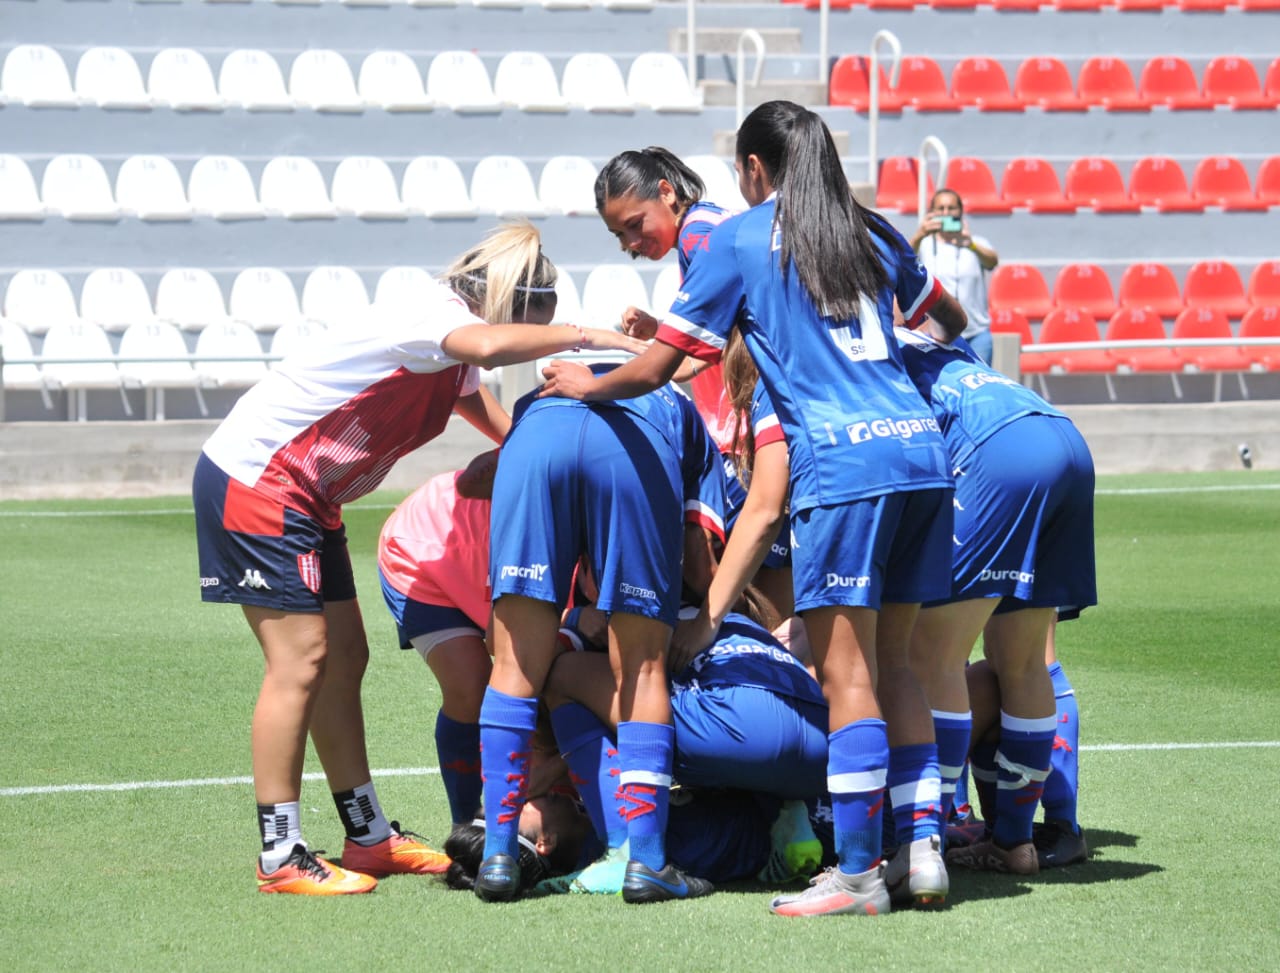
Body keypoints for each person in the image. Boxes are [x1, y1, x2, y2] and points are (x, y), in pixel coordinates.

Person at [540, 100, 969, 917]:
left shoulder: (735, 238)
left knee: (847, 673)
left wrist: (587, 381)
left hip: (845, 466)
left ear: (751, 170)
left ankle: (856, 872)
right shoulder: (871, 228)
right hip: (923, 456)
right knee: (900, 666)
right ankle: (924, 853)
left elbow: (664, 364)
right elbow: (945, 315)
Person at [192, 222, 643, 896]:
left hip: (310, 496)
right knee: (303, 657)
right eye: (535, 325)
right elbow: (488, 343)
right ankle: (280, 850)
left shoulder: (453, 356)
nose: (514, 350)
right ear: (511, 303)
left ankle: (368, 837)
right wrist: (594, 337)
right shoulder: (430, 315)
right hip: (259, 480)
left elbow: (493, 415)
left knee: (345, 658)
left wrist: (546, 439)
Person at [474, 365, 727, 905]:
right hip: (634, 442)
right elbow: (701, 557)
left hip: (536, 430)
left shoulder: (553, 382)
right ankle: (649, 863)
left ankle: (497, 854)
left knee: (513, 665)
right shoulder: (679, 400)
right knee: (642, 668)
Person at [894, 324, 1096, 876]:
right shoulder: (927, 337)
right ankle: (1018, 841)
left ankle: (923, 840)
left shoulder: (851, 351)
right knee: (1025, 659)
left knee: (933, 653)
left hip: (996, 452)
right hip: (1061, 434)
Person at [375, 450, 498, 831]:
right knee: (471, 688)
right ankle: (465, 822)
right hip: (421, 553)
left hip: (483, 555)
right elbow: (503, 643)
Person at [909, 189, 998, 364]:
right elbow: (902, 261)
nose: (946, 213)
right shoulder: (925, 244)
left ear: (961, 212)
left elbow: (992, 262)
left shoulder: (975, 242)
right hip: (936, 334)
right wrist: (920, 234)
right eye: (940, 209)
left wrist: (970, 244)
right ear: (932, 213)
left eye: (951, 208)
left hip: (976, 333)